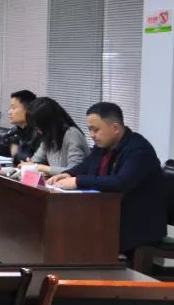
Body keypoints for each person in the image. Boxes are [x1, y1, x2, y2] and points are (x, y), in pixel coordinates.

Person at [50, 103, 165, 253]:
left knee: (75, 234)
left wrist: (78, 181)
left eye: (95, 129)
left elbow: (121, 182)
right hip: (111, 215)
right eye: (90, 129)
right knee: (65, 227)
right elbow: (86, 165)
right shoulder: (103, 146)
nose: (92, 135)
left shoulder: (139, 150)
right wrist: (69, 174)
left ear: (115, 128)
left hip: (137, 224)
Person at [25, 97, 90, 175]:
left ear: (48, 123)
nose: (38, 131)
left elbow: (74, 171)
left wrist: (41, 167)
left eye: (38, 126)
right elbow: (36, 160)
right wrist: (30, 164)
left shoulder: (72, 134)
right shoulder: (48, 137)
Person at [0, 90, 38, 164]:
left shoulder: (38, 133)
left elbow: (35, 161)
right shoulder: (15, 130)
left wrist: (17, 153)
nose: (9, 112)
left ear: (28, 110)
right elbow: (2, 148)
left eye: (13, 108)